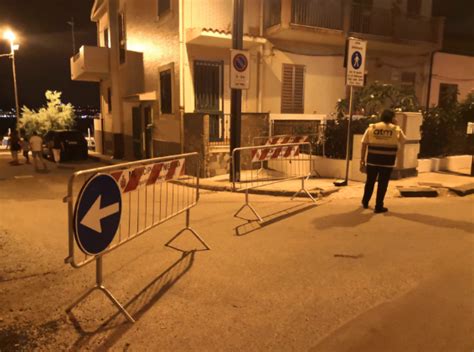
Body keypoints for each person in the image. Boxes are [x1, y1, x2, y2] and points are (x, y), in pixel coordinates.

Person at [360, 109, 406, 213]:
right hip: (387, 162)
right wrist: (397, 125)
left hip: (372, 161)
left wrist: (362, 160)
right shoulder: (396, 129)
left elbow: (364, 144)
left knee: (370, 182)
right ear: (392, 118)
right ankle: (378, 206)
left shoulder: (372, 127)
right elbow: (403, 140)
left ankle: (365, 201)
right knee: (383, 184)